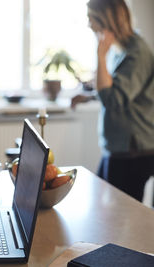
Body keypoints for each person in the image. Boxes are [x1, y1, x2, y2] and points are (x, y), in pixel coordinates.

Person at [71, 0, 154, 201]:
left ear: (106, 18)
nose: (89, 24)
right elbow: (113, 87)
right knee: (105, 209)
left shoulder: (136, 53)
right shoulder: (122, 49)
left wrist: (100, 56)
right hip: (119, 147)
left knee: (122, 218)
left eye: (91, 17)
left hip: (133, 150)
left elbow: (112, 99)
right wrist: (89, 95)